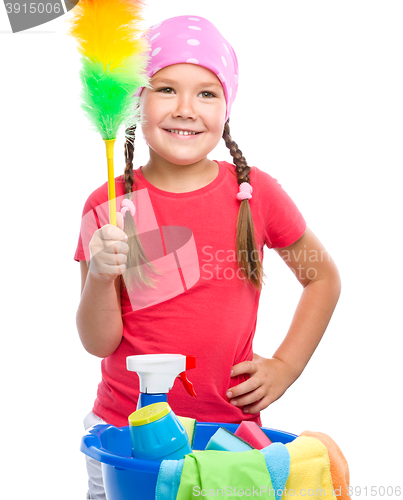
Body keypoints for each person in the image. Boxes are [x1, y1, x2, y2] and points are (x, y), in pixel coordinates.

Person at [74, 15, 341, 500]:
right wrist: (97, 276)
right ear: (137, 100)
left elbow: (322, 278)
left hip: (225, 441)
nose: (185, 108)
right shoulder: (108, 204)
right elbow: (99, 341)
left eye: (206, 93)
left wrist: (285, 366)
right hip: (126, 437)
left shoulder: (254, 194)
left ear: (227, 107)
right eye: (166, 89)